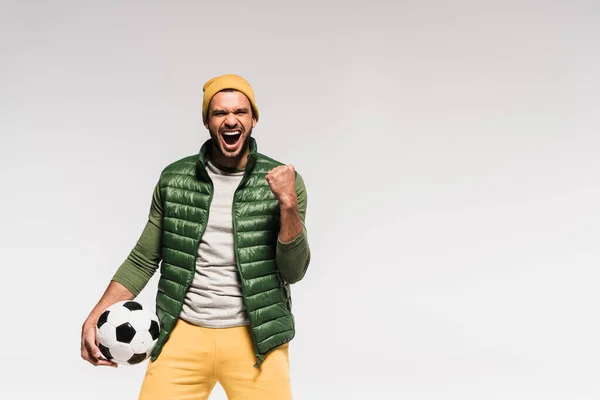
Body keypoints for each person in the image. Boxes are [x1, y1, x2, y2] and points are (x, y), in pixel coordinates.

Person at [80, 74, 311, 400]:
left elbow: (294, 271)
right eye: (219, 113)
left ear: (253, 119)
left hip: (257, 339)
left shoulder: (285, 181)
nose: (231, 120)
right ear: (207, 121)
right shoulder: (175, 179)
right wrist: (96, 314)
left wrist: (287, 204)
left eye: (240, 112)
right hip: (182, 334)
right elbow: (143, 258)